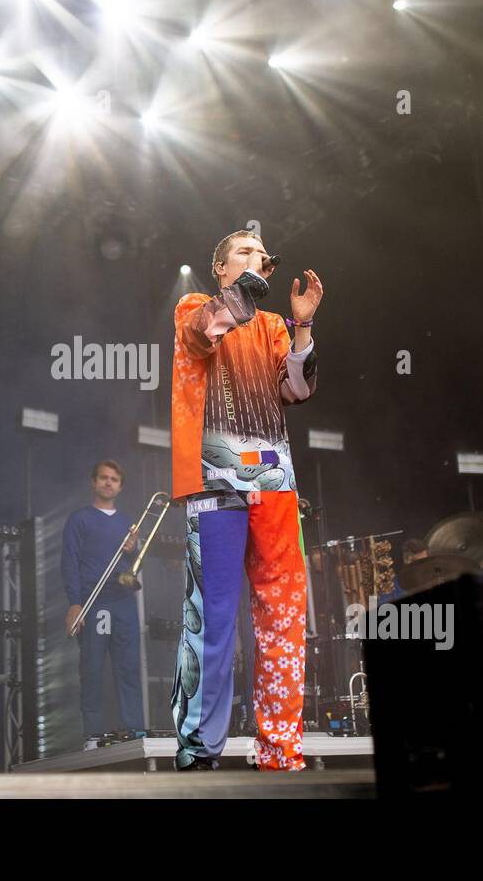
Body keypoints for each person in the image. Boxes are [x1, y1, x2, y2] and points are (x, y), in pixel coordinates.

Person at [169, 229, 323, 770]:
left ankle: (280, 750)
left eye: (263, 255)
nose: (258, 258)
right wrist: (250, 292)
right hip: (216, 482)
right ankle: (199, 747)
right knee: (213, 618)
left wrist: (302, 324)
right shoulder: (195, 305)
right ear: (219, 267)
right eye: (244, 252)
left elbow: (297, 390)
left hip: (276, 482)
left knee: (283, 617)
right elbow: (207, 331)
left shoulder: (276, 327)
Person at [62, 460, 145, 742]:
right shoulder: (79, 519)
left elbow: (136, 566)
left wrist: (134, 551)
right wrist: (75, 603)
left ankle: (134, 731)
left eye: (114, 479)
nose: (108, 482)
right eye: (103, 478)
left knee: (129, 669)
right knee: (93, 670)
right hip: (94, 603)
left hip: (123, 602)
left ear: (120, 487)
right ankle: (93, 736)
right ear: (94, 482)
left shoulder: (127, 523)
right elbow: (69, 562)